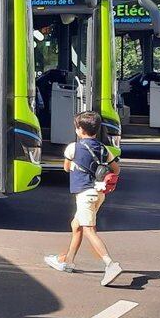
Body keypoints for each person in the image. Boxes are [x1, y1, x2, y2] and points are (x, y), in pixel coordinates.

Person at [45, 111, 123, 286]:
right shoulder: (104, 148)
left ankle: (110, 264)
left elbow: (66, 168)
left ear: (79, 129)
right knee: (77, 225)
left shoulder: (73, 147)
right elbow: (116, 170)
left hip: (85, 195)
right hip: (99, 193)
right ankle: (68, 261)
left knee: (89, 229)